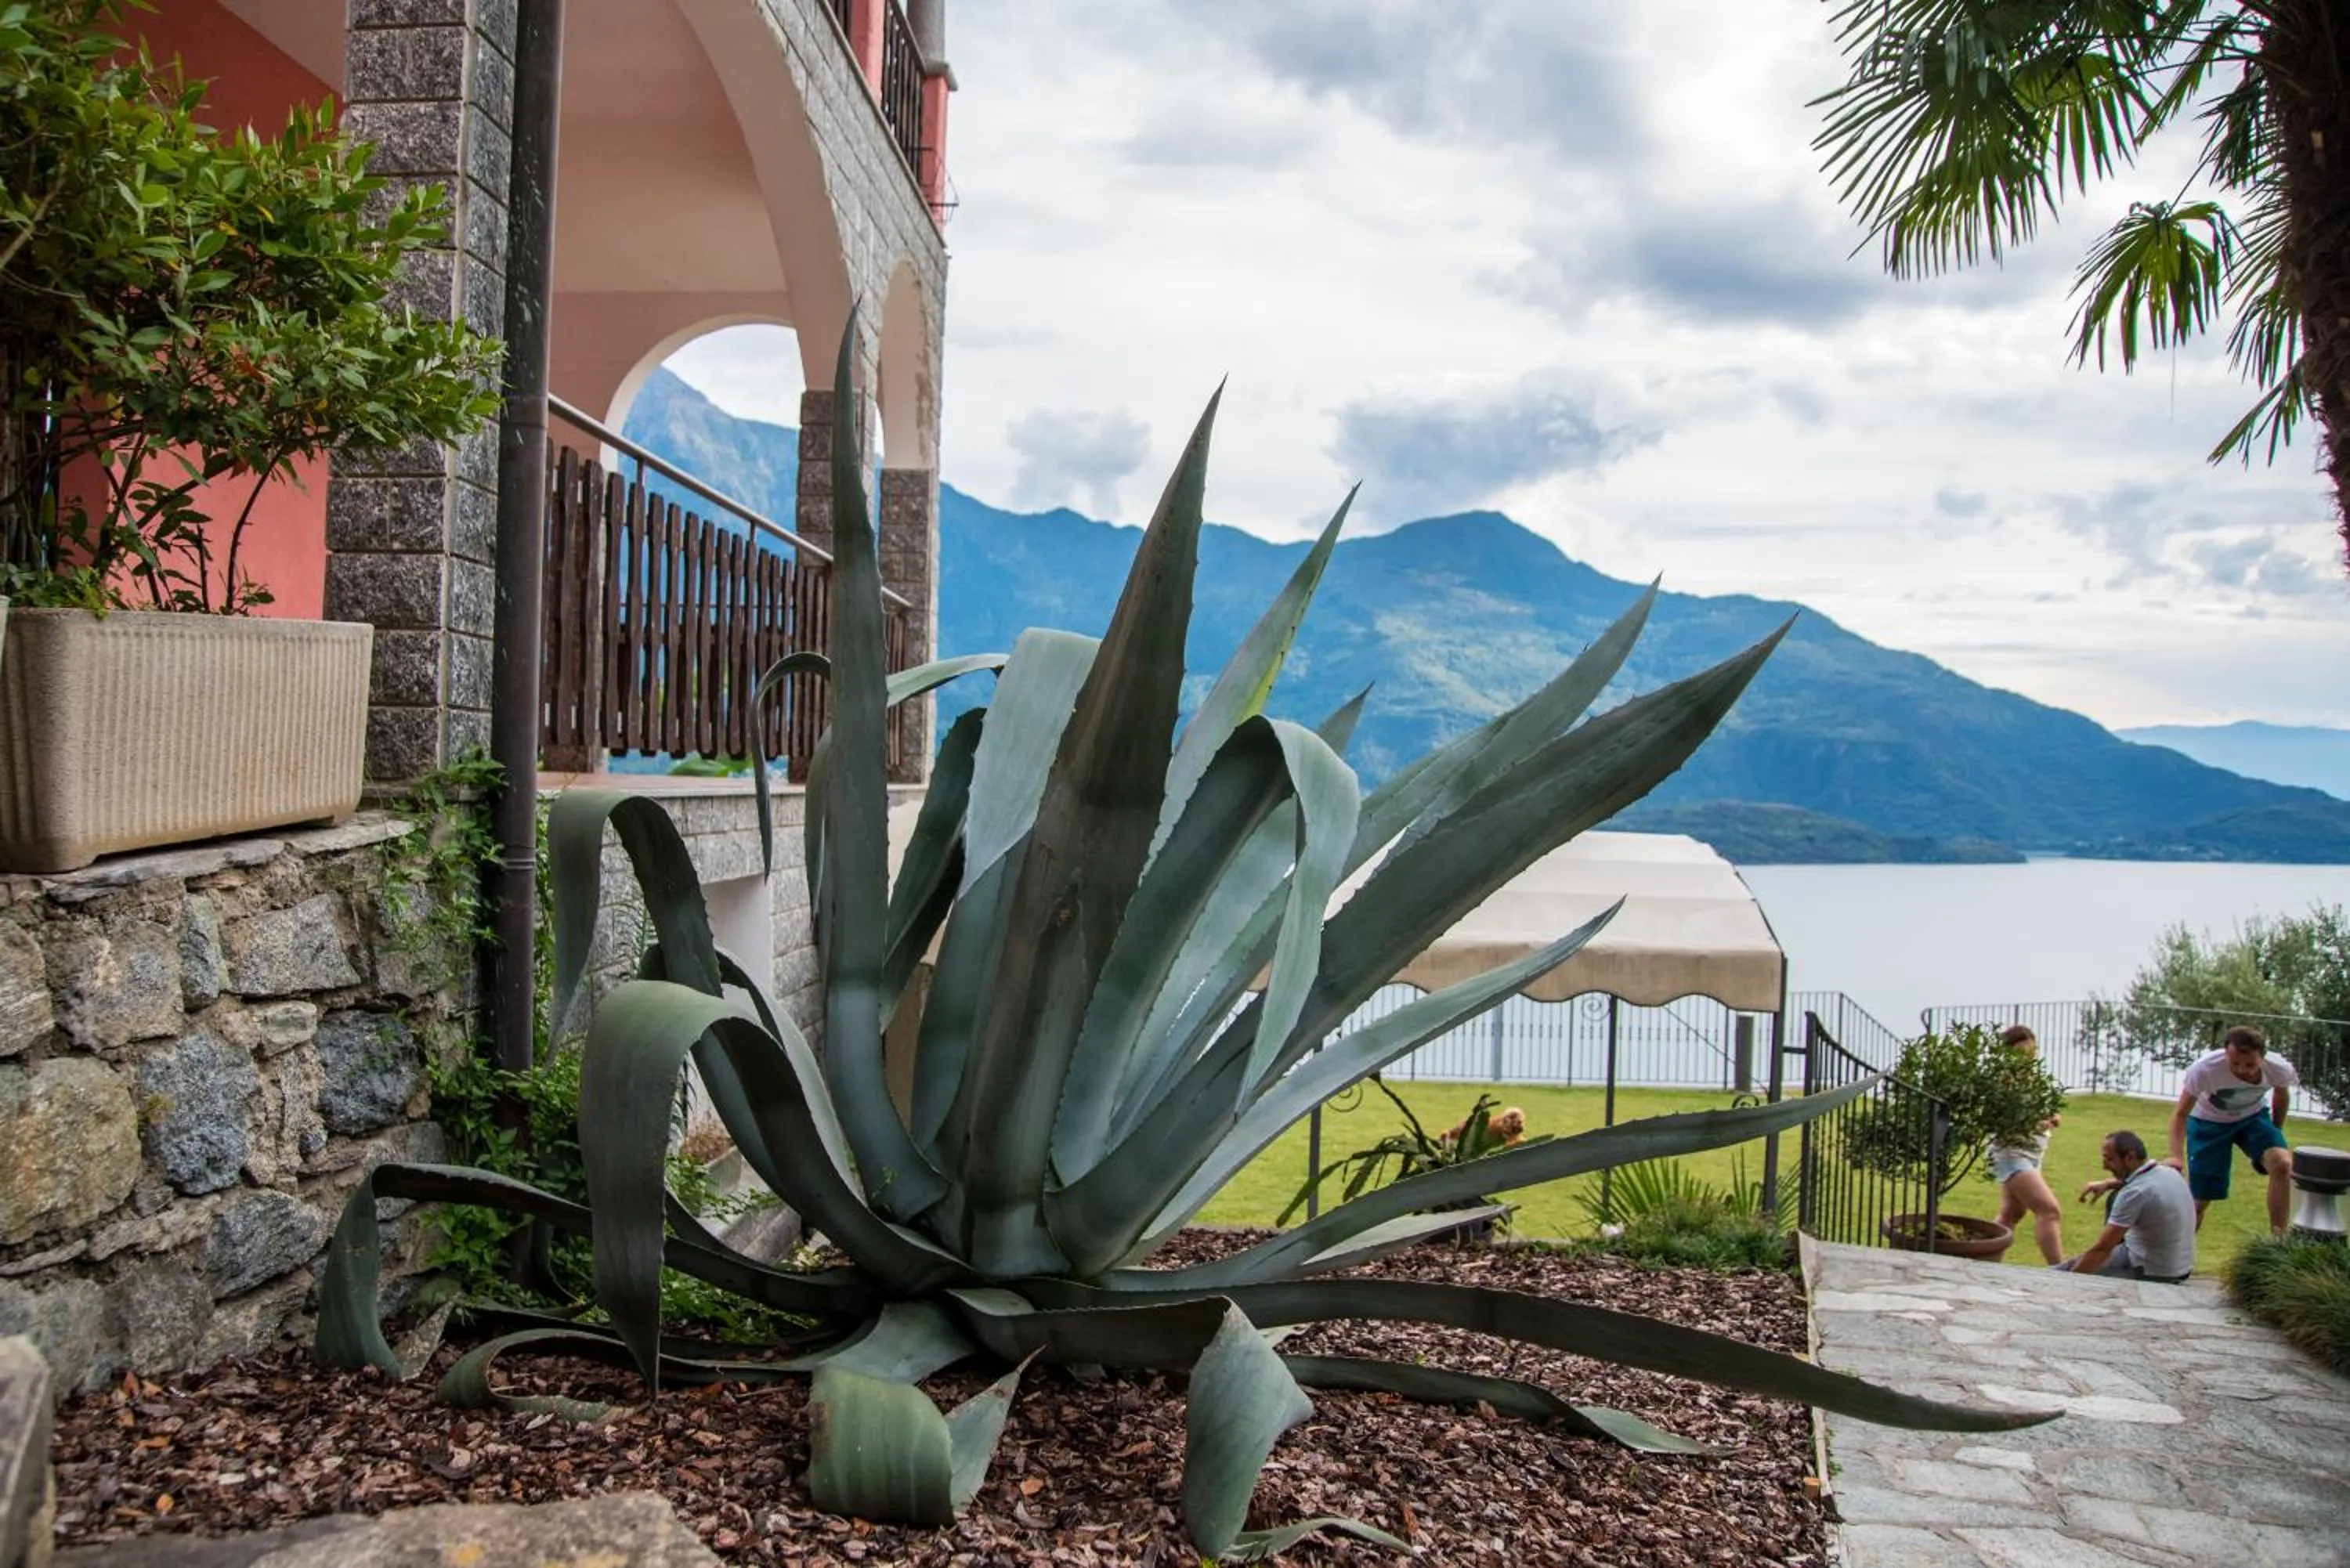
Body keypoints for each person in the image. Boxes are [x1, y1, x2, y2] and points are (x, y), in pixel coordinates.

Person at [2170, 1025, 2299, 1235]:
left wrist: (2275, 1134)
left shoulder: (2278, 1068)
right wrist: (2176, 1156)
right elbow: (2180, 1114)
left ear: (2263, 1058)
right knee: (2199, 1201)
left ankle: (2279, 1240)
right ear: (2225, 1054)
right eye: (2235, 1063)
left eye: (2250, 1065)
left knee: (2282, 1163)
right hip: (2208, 1123)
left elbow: (2281, 1096)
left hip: (2252, 1118)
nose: (2241, 1070)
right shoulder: (2204, 1069)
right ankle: (2176, 1259)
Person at [2059, 1130, 2195, 1281]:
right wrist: (2107, 1183)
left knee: (2064, 1275)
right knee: (2065, 1267)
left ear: (2130, 1157)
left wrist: (2069, 1283)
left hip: (2152, 1271)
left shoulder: (2134, 1193)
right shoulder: (2168, 1172)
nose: (2104, 1166)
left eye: (2109, 1159)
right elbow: (2141, 1183)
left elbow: (2102, 1250)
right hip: (2179, 1267)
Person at [1987, 1024, 2066, 1263]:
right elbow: (2001, 1122)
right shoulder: (2003, 1082)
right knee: (2049, 1210)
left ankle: (1983, 1261)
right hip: (2012, 1154)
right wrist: (2037, 1124)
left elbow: (2047, 1109)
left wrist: (2054, 1117)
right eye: (2023, 1053)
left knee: (2012, 1213)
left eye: (2032, 1053)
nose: (2029, 1058)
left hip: (2032, 1153)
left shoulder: (2034, 1079)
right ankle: (2060, 1270)